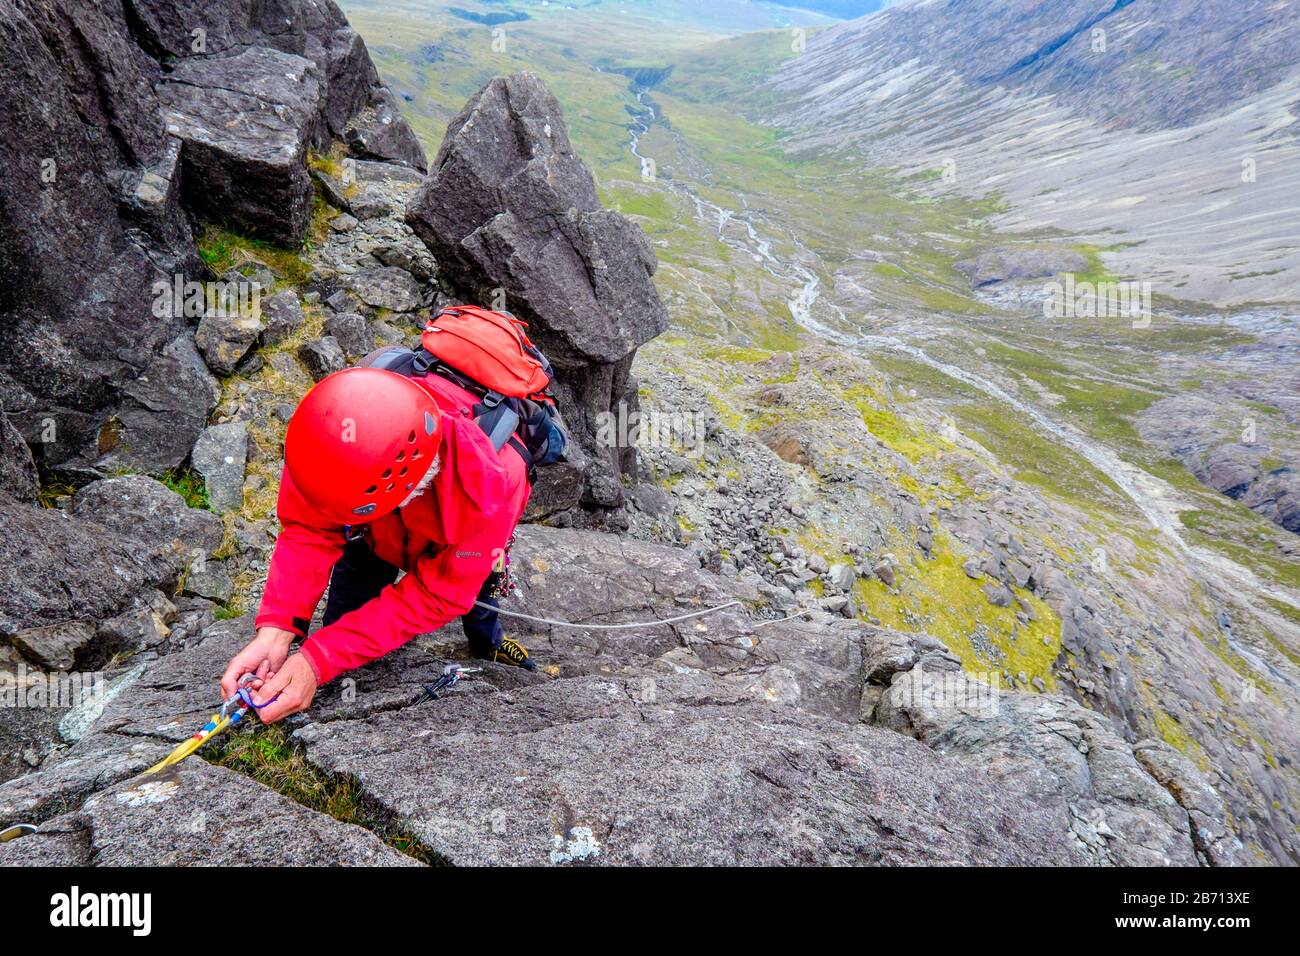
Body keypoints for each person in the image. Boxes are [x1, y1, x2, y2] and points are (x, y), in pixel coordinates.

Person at [219, 363, 534, 724]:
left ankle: (488, 646)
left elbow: (440, 593)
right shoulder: (326, 430)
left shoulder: (495, 482)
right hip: (372, 535)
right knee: (341, 623)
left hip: (458, 537)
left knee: (477, 597)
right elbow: (309, 527)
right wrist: (278, 633)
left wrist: (317, 660)